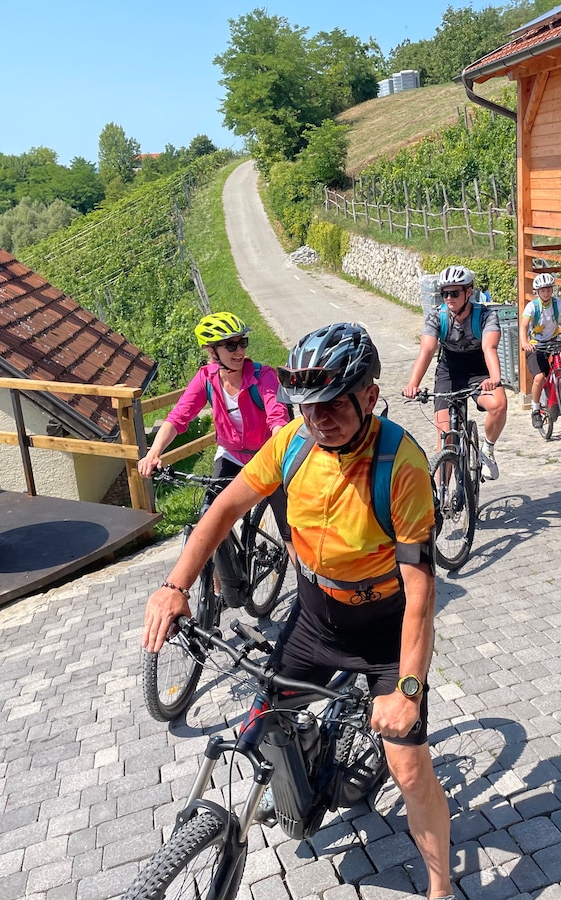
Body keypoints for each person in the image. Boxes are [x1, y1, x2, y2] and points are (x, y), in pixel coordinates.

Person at [143, 323, 455, 900]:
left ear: (369, 396)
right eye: (307, 406)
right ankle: (302, 774)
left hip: (385, 629)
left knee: (411, 771)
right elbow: (223, 510)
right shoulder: (292, 443)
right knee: (261, 721)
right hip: (315, 617)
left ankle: (440, 890)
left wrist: (409, 691)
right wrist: (175, 585)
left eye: (333, 403)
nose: (317, 418)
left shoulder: (401, 465)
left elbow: (421, 594)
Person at [137, 311, 292, 570]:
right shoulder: (206, 379)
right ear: (212, 351)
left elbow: (278, 419)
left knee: (290, 533)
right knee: (209, 524)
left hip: (266, 457)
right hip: (231, 456)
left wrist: (277, 455)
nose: (239, 350)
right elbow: (177, 417)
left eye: (242, 342)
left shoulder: (262, 377)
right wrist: (154, 453)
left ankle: (307, 587)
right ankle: (218, 590)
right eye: (231, 345)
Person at [402, 265, 507, 480]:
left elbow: (489, 347)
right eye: (445, 293)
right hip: (449, 372)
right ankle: (441, 495)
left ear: (469, 292)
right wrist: (413, 383)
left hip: (479, 370)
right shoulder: (437, 316)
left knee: (499, 405)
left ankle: (487, 449)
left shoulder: (485, 315)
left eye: (455, 293)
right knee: (445, 437)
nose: (449, 298)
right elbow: (427, 349)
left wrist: (495, 378)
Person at [520, 272, 561, 428]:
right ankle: (535, 409)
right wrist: (524, 342)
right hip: (535, 344)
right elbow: (523, 325)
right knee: (539, 378)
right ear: (537, 291)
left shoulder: (558, 303)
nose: (546, 293)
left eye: (549, 289)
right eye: (543, 290)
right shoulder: (532, 306)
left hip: (554, 340)